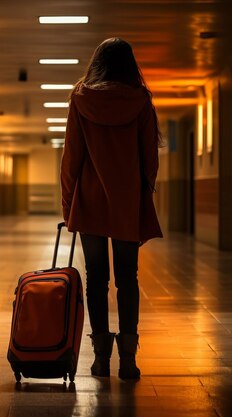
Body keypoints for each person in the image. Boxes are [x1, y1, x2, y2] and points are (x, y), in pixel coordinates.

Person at [60, 37, 163, 379]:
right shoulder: (141, 101)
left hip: (89, 201)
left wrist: (68, 206)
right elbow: (150, 159)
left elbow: (71, 158)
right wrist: (141, 193)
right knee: (127, 279)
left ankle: (101, 358)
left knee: (96, 279)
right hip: (127, 202)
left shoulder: (80, 99)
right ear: (129, 65)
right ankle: (129, 361)